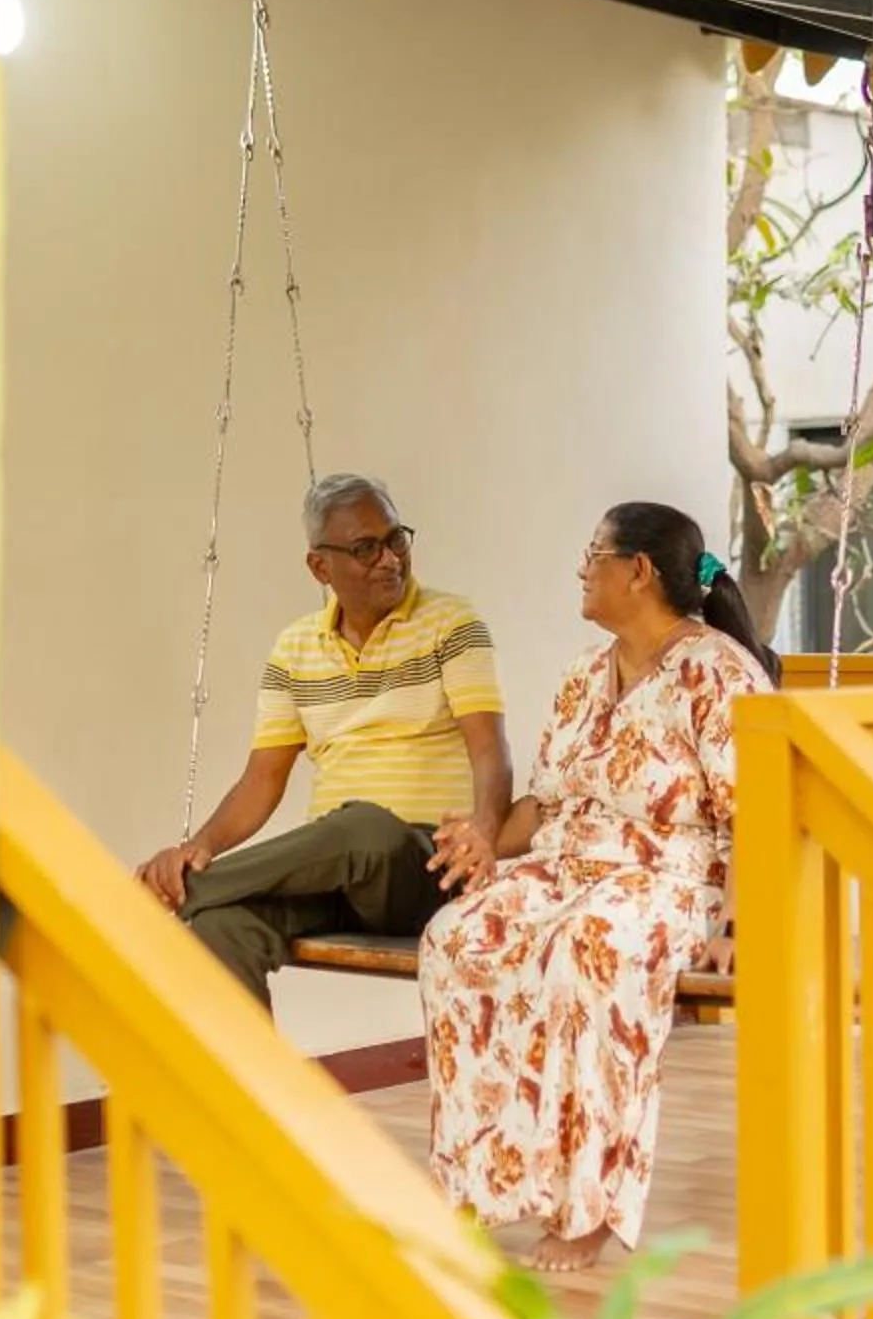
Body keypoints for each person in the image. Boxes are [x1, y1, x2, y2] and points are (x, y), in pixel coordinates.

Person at [417, 501, 780, 1272]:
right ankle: (480, 1189)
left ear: (638, 571)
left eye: (594, 555)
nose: (582, 570)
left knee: (591, 947)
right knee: (457, 934)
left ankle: (588, 1207)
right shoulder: (584, 674)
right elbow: (542, 805)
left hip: (673, 878)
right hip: (564, 868)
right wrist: (483, 840)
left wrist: (737, 924)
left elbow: (757, 809)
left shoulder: (720, 673)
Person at [137, 474, 514, 1006]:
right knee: (222, 925)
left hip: (424, 868)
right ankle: (255, 1090)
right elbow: (262, 779)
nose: (389, 560)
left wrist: (486, 831)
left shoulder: (452, 623)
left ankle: (148, 902)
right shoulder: (294, 649)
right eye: (366, 549)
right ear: (320, 566)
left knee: (364, 826)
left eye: (396, 539)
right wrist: (199, 847)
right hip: (336, 872)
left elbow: (490, 750)